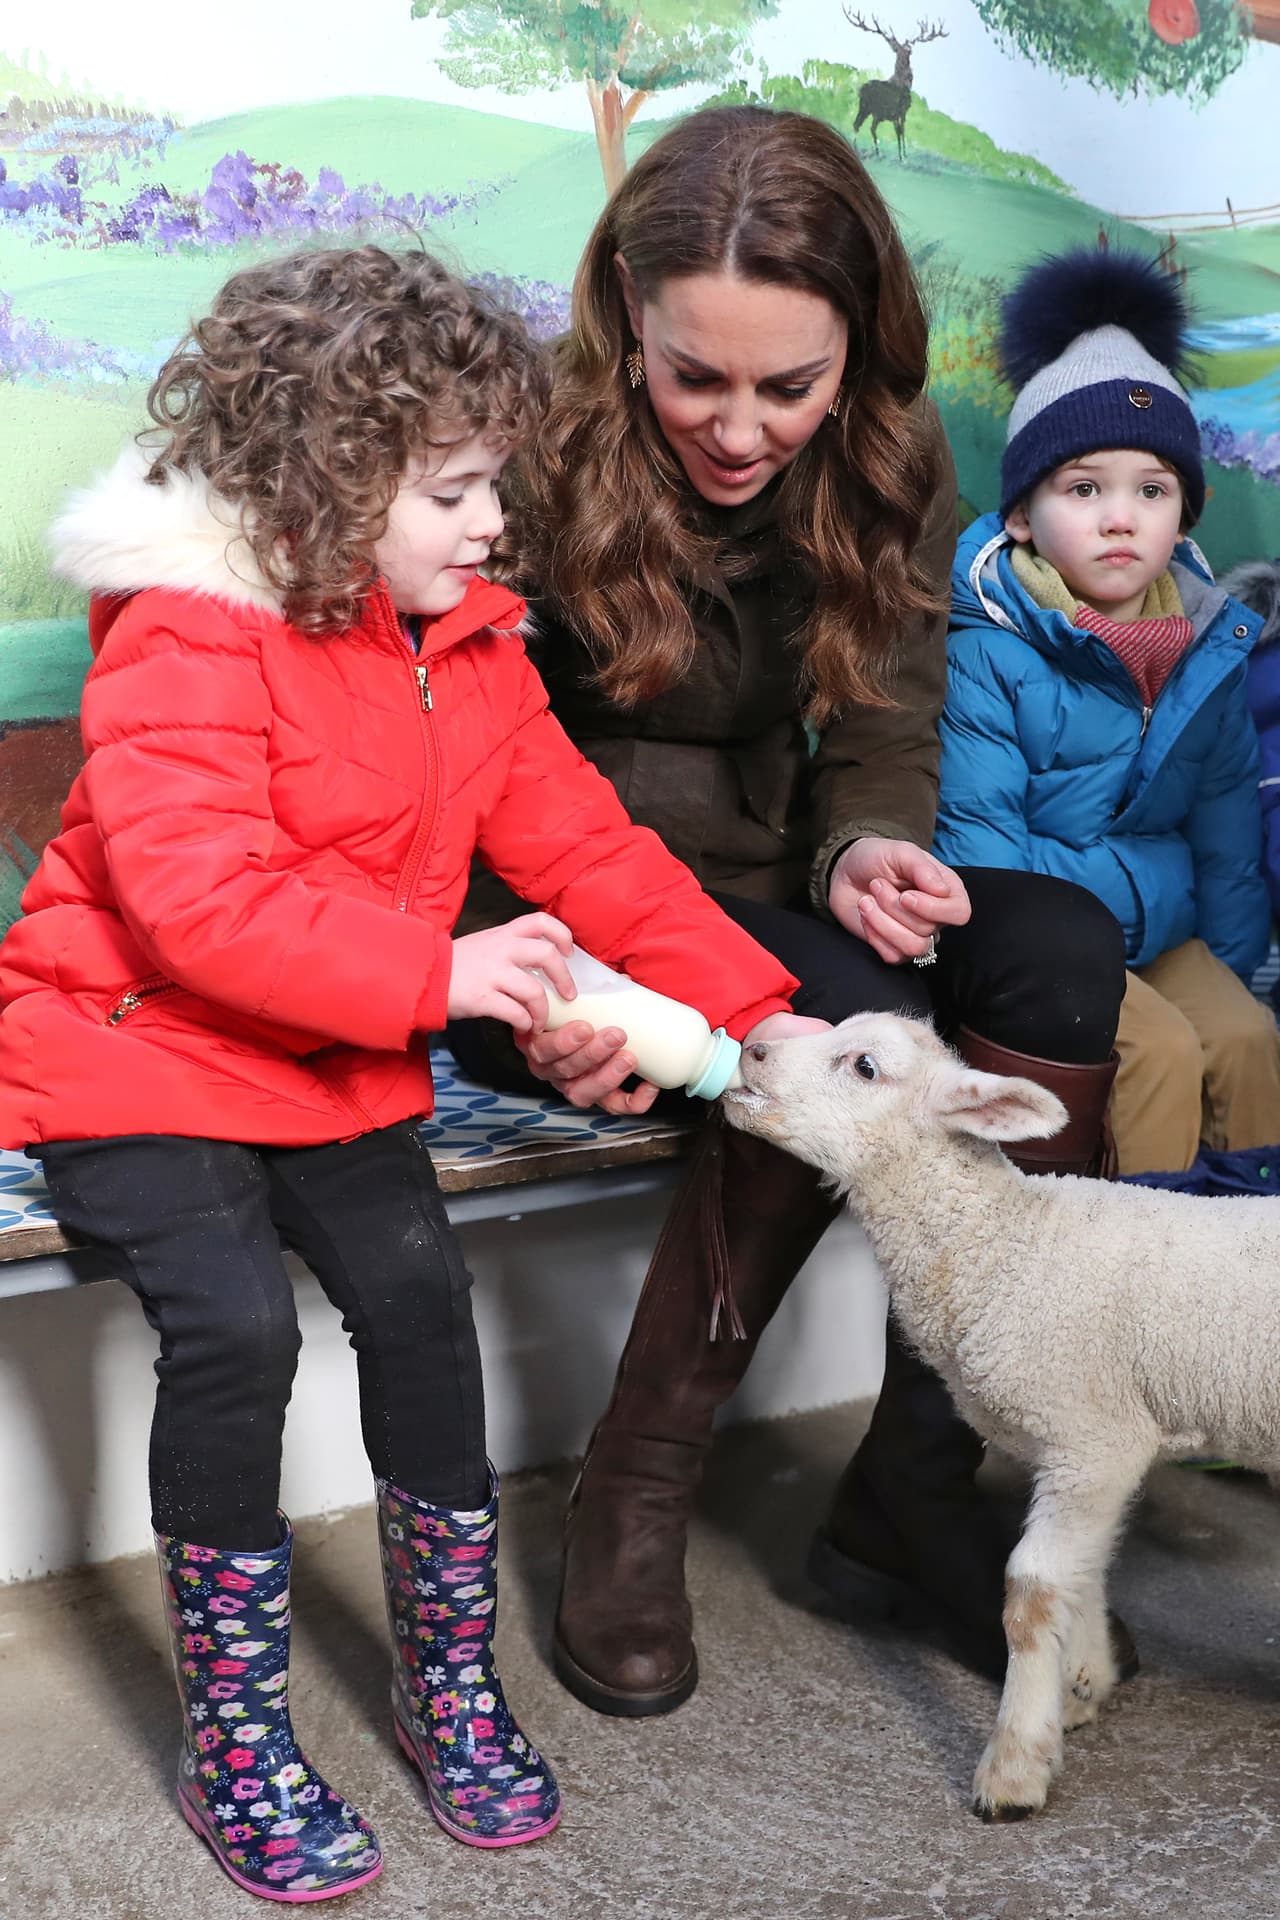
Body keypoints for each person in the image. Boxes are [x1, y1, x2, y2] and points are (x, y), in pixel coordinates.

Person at [0, 245, 810, 1901]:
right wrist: (440, 977)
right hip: (134, 1043)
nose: (493, 521)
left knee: (424, 1303)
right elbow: (195, 906)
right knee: (235, 1325)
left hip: (332, 1054)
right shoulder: (189, 630)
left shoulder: (471, 648)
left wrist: (759, 1009)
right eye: (453, 491)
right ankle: (239, 1736)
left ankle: (450, 1682)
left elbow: (593, 849)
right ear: (324, 483)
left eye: (493, 483)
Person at [450, 106, 1131, 1720]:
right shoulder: (526, 446)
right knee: (820, 1021)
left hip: (769, 870)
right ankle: (638, 1475)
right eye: (698, 378)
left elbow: (890, 707)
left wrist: (865, 849)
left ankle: (914, 1482)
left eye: (789, 386)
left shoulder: (895, 445)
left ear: (855, 348)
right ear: (627, 313)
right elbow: (466, 749)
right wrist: (590, 959)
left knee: (1060, 951)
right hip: (549, 897)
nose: (742, 429)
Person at [934, 249, 1280, 1177]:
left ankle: (1255, 1247)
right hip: (1054, 953)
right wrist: (1043, 974)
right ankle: (1140, 1254)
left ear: (1184, 517)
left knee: (1246, 1038)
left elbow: (1225, 827)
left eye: (1151, 490)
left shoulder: (1207, 646)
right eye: (1084, 488)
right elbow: (982, 842)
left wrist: (1228, 964)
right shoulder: (989, 651)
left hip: (1166, 932)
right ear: (1021, 514)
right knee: (1158, 1056)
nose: (1120, 517)